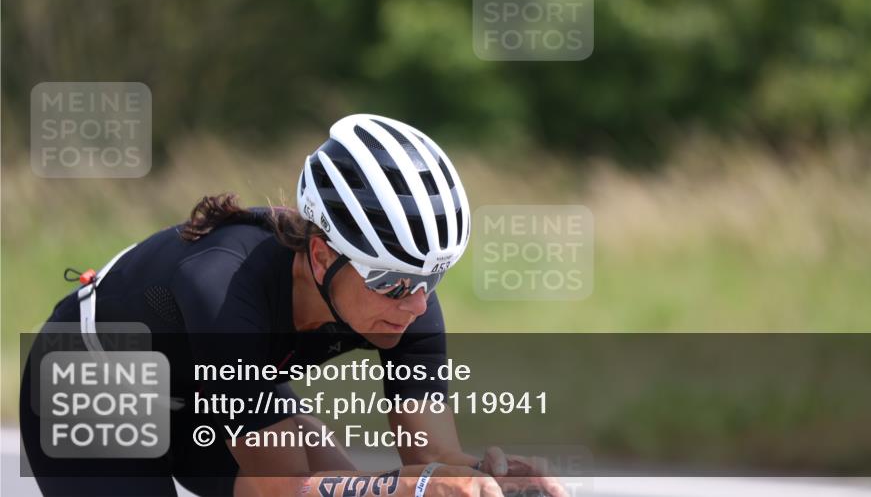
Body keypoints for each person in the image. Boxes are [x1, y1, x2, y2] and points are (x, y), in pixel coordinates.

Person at [21, 114, 566, 497]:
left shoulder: (408, 297)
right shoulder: (223, 286)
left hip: (209, 394)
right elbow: (282, 489)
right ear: (323, 255)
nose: (417, 303)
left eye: (433, 278)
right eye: (394, 281)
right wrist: (407, 488)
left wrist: (494, 478)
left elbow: (430, 460)